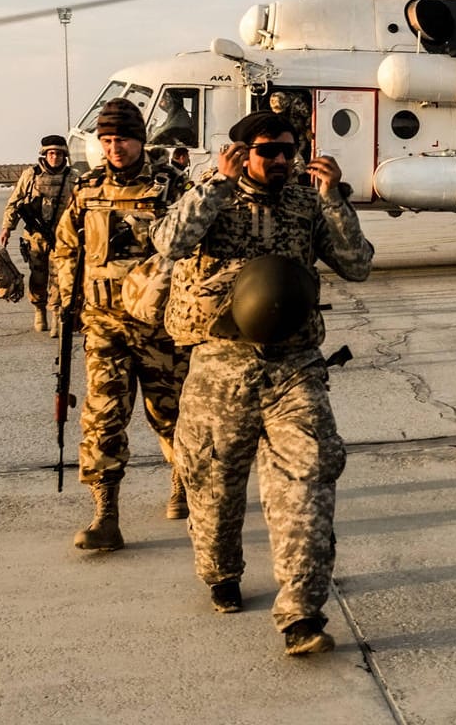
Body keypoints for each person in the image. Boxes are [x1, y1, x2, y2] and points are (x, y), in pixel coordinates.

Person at [153, 110, 372, 657]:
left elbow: (357, 265)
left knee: (308, 478)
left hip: (293, 366)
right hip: (220, 364)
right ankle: (220, 572)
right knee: (211, 485)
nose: (280, 159)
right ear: (241, 153)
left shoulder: (305, 202)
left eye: (288, 149)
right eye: (268, 150)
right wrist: (215, 186)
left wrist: (334, 199)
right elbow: (169, 243)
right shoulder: (213, 195)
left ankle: (301, 615)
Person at [51, 101, 189, 549]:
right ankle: (105, 514)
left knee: (171, 415)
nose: (114, 148)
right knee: (103, 419)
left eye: (123, 139)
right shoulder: (87, 188)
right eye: (107, 140)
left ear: (141, 140)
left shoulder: (169, 186)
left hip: (161, 328)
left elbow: (193, 249)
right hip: (104, 325)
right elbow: (66, 248)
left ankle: (183, 481)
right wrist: (67, 302)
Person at [0, 135, 76, 332]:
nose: (55, 157)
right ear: (44, 155)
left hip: (62, 238)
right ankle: (39, 310)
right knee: (38, 276)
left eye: (59, 154)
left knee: (60, 277)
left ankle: (57, 314)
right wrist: (7, 228)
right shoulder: (31, 176)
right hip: (35, 237)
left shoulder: (72, 177)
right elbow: (15, 203)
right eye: (51, 153)